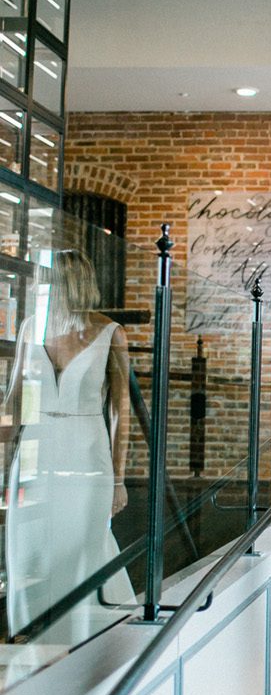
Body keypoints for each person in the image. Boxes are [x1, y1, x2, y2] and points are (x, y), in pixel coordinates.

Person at [4, 248, 134, 647]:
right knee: (30, 545)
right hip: (36, 451)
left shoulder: (111, 333)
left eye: (49, 280)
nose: (41, 287)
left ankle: (88, 635)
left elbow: (121, 412)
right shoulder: (30, 328)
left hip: (86, 452)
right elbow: (16, 401)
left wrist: (118, 480)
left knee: (84, 541)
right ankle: (34, 634)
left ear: (68, 284)